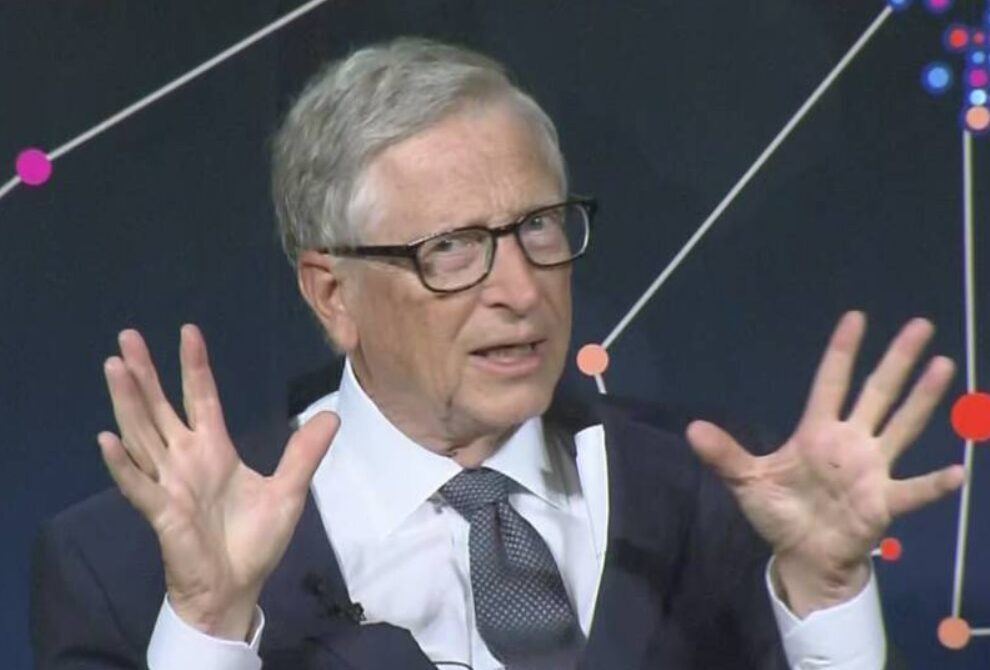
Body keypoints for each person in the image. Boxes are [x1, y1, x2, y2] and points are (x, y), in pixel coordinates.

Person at [31, 37, 964, 669]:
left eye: (540, 228)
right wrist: (207, 625)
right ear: (332, 295)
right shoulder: (127, 567)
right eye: (451, 248)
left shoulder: (722, 502)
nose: (520, 288)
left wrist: (828, 592)